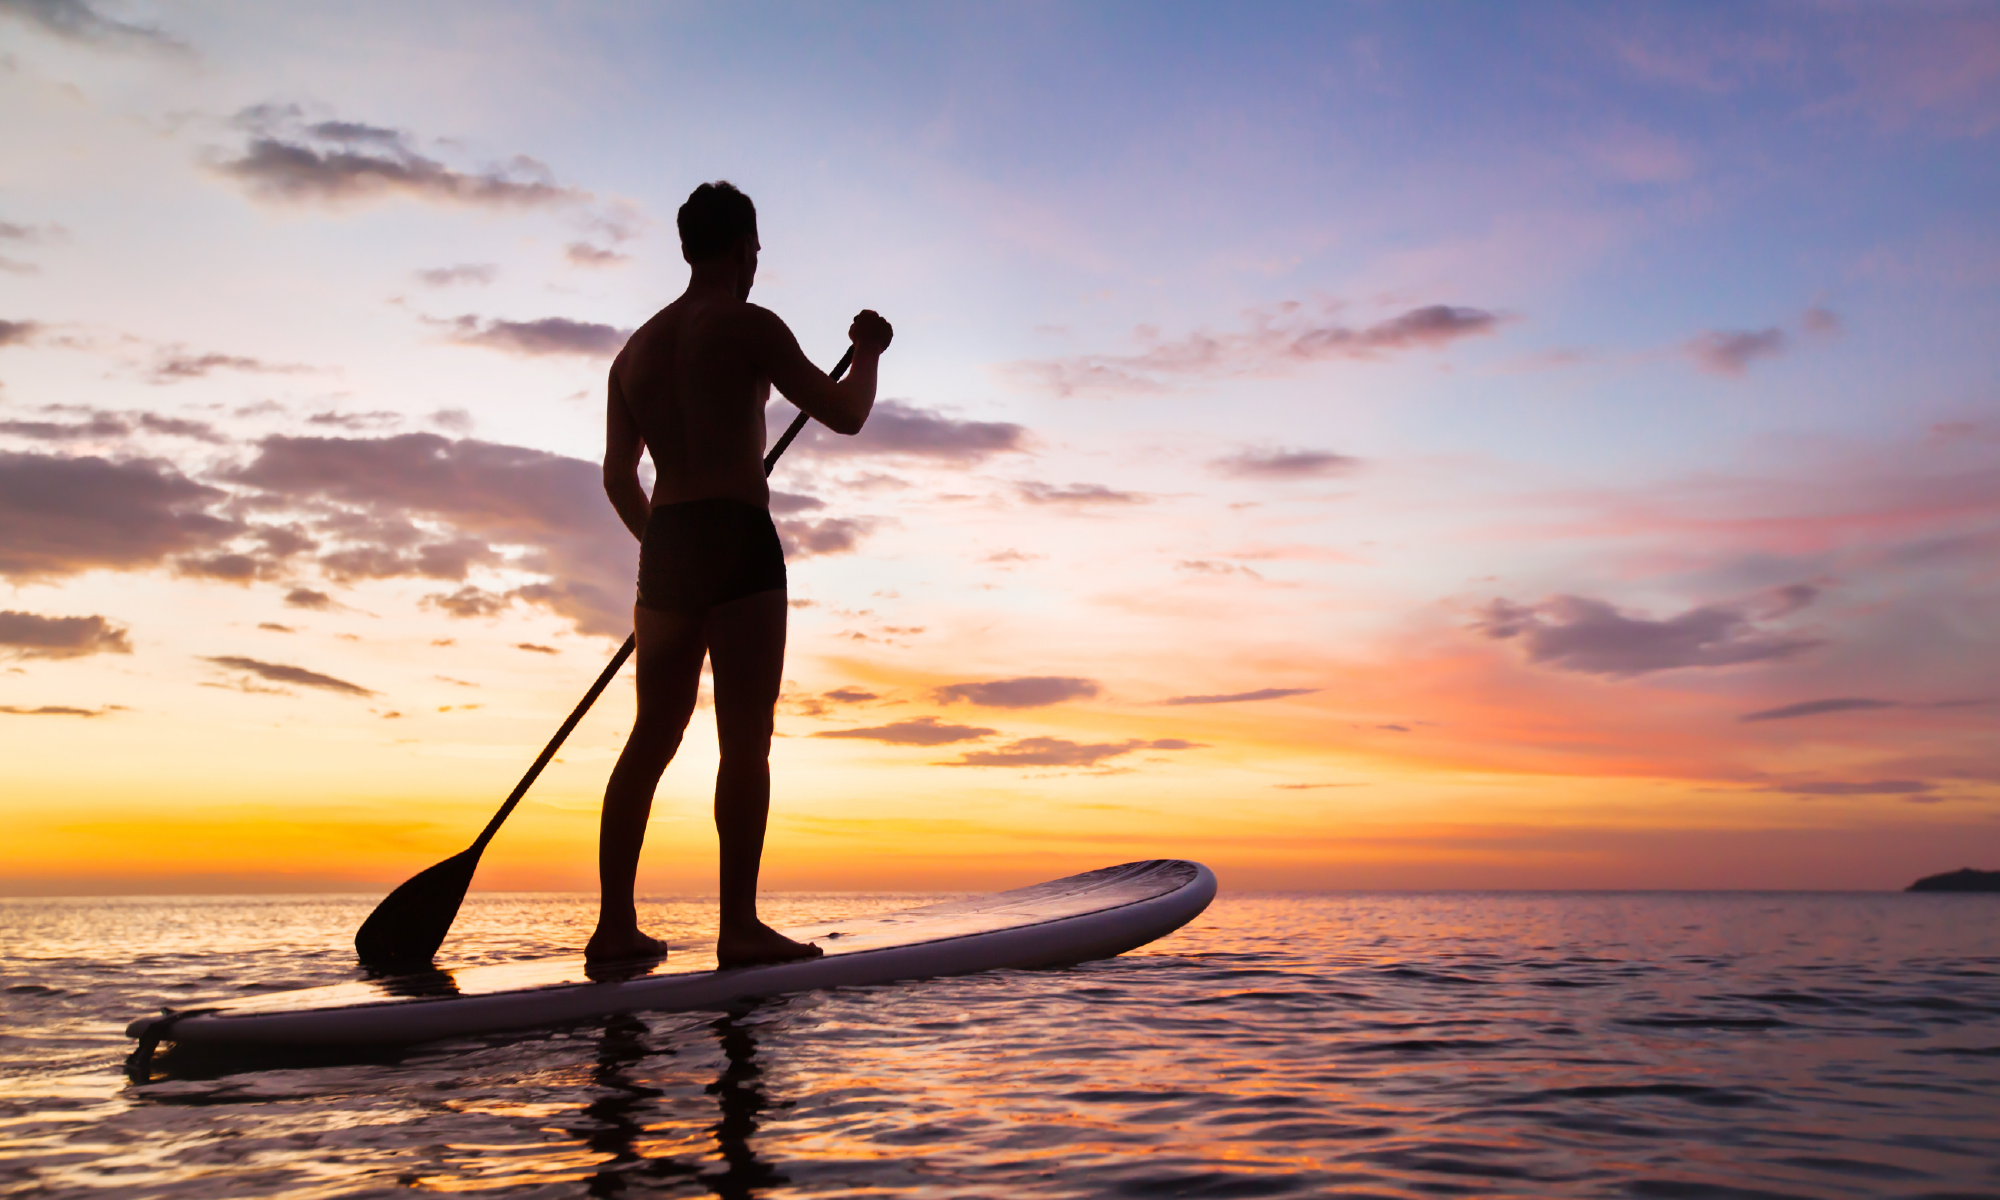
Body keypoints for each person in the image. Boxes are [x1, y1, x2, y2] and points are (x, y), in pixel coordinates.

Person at [589, 181, 892, 965]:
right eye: (755, 249)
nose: (757, 262)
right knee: (744, 741)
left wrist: (664, 548)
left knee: (649, 738)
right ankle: (739, 929)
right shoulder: (749, 324)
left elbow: (619, 478)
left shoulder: (635, 354)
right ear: (740, 249)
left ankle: (615, 930)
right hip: (737, 536)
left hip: (672, 542)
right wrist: (868, 355)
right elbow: (847, 412)